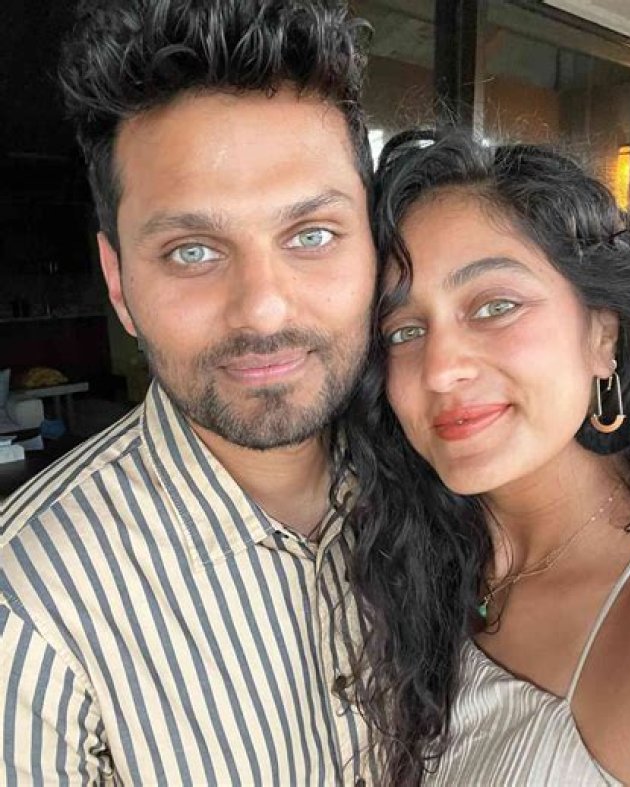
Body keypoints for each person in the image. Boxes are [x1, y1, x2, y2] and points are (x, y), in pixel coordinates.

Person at [0, 1, 381, 784]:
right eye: (192, 250)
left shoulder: (448, 486)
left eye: (311, 234)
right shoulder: (27, 610)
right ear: (118, 282)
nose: (263, 310)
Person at [343, 129, 630, 785]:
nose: (441, 369)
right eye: (404, 330)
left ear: (603, 335)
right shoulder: (411, 565)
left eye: (495, 306)